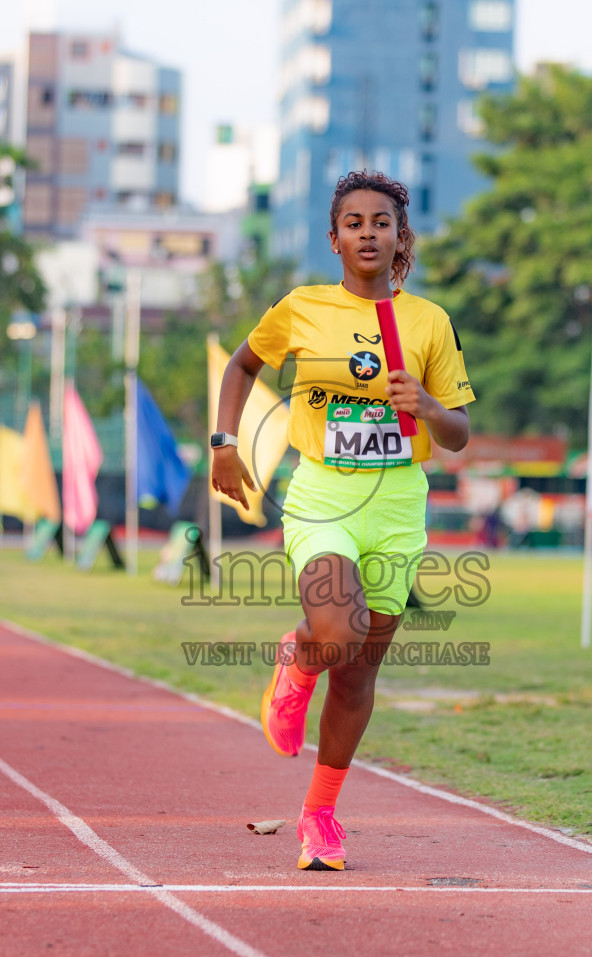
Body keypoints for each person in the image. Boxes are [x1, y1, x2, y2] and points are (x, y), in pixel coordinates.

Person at [211, 170, 472, 871]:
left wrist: (425, 405)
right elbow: (241, 366)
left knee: (357, 677)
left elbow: (458, 435)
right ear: (335, 239)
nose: (367, 232)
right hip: (323, 493)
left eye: (380, 222)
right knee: (336, 629)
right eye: (354, 222)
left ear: (398, 237)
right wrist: (224, 444)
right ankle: (295, 665)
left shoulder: (428, 323)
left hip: (396, 505)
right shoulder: (302, 308)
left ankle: (319, 817)